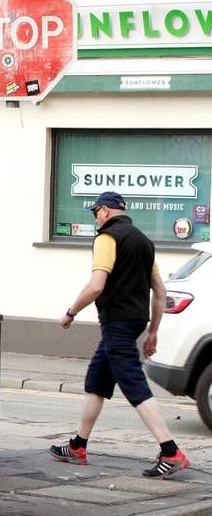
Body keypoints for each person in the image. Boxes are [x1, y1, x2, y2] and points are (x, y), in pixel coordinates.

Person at [50, 191, 188, 478]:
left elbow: (97, 285)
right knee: (98, 380)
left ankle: (171, 451)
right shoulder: (144, 242)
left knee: (134, 383)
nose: (94, 218)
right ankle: (78, 445)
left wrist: (71, 311)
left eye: (94, 212)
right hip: (135, 321)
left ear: (105, 211)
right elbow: (160, 293)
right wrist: (152, 333)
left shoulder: (106, 238)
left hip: (117, 323)